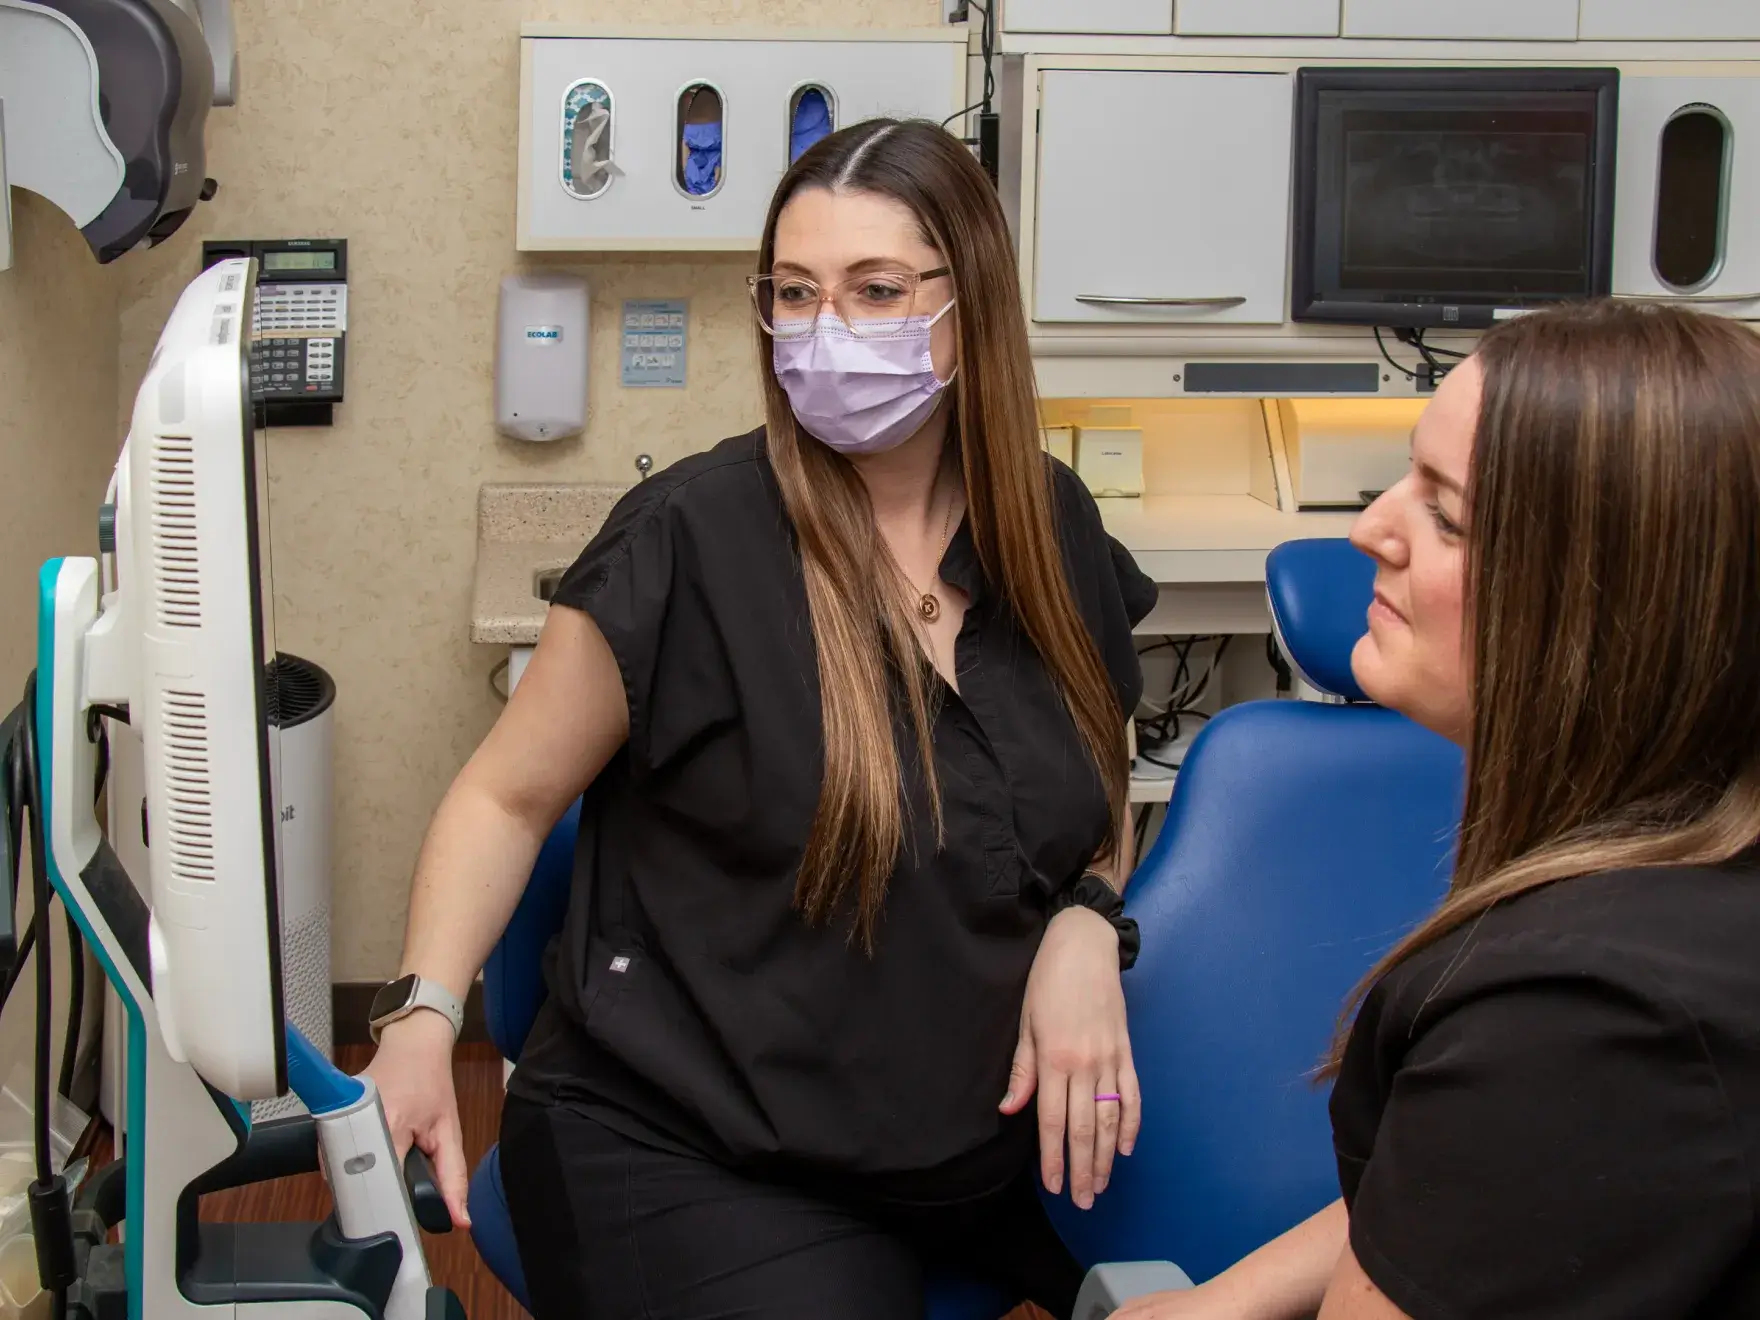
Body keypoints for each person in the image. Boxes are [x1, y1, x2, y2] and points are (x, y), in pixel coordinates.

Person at [364, 118, 1158, 1319]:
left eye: (874, 290)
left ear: (970, 307)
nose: (825, 330)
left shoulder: (1048, 527)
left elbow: (1095, 788)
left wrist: (1088, 927)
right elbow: (504, 794)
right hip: (695, 1142)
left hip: (974, 1127)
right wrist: (422, 1018)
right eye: (794, 293)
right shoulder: (686, 540)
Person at [1114, 300, 1760, 1320]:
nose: (1367, 528)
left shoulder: (1579, 1021)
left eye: (1447, 516)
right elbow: (1473, 1193)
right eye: (1401, 479)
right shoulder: (1685, 886)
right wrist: (1221, 1303)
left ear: (1607, 611)